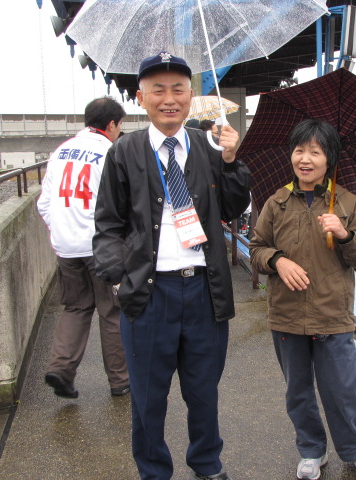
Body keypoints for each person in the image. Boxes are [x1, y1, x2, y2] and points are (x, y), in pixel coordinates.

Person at [93, 52, 251, 480]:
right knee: (148, 398)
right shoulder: (124, 152)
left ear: (192, 96)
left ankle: (207, 464)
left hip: (203, 291)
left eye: (178, 89)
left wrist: (233, 160)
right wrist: (117, 275)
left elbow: (235, 207)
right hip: (149, 295)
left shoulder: (210, 146)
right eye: (157, 90)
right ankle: (153, 471)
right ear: (140, 97)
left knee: (204, 392)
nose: (168, 98)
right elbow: (107, 223)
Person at [249, 119, 356, 480]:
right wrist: (278, 260)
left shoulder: (347, 203)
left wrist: (343, 234)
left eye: (315, 152)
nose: (305, 159)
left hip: (332, 315)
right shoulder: (276, 203)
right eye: (299, 150)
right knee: (298, 392)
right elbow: (256, 249)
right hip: (287, 316)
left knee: (342, 390)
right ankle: (311, 450)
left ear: (329, 159)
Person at [37, 96, 129, 398]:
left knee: (75, 307)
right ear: (112, 124)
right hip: (100, 245)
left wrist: (62, 232)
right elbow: (120, 204)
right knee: (112, 311)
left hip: (65, 246)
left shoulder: (61, 151)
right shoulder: (110, 152)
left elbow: (44, 203)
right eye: (120, 125)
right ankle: (120, 380)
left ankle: (60, 368)